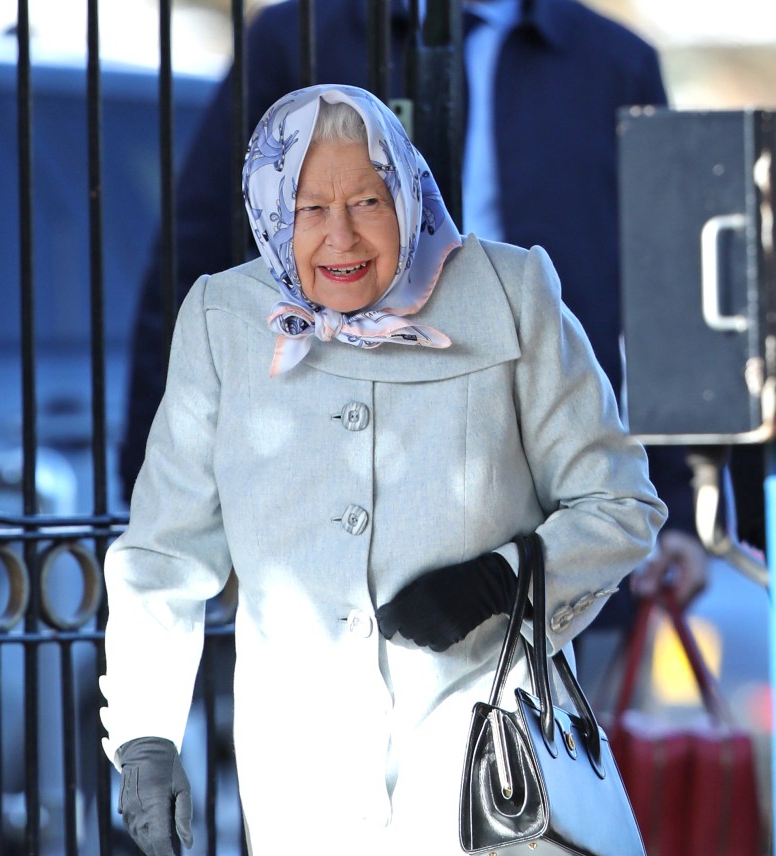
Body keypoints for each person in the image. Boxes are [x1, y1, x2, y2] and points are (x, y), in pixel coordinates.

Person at [101, 84, 666, 856]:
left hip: (486, 753)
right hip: (304, 766)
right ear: (268, 210)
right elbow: (163, 553)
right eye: (309, 207)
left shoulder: (509, 291)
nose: (342, 237)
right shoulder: (222, 320)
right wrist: (145, 736)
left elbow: (621, 500)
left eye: (367, 202)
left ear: (406, 190)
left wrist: (502, 578)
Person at [119, 0, 706, 626]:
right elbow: (197, 252)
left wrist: (678, 500)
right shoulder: (299, 37)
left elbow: (666, 292)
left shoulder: (615, 61)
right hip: (333, 450)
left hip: (548, 461)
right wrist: (150, 495)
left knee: (534, 711)